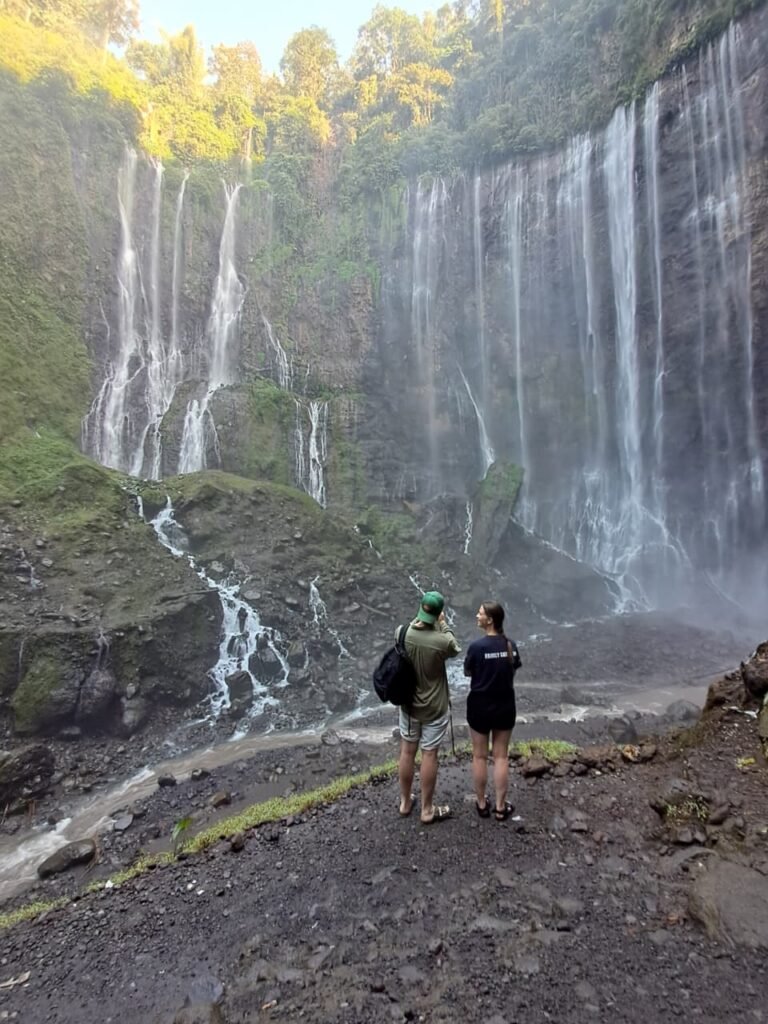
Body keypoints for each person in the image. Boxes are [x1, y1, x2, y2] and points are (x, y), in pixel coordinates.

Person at [397, 591, 461, 824]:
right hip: (434, 707)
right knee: (429, 754)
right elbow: (455, 647)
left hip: (408, 705)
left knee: (407, 752)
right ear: (438, 613)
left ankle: (405, 803)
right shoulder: (442, 641)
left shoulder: (402, 632)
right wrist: (443, 624)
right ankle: (426, 810)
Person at [463, 601, 522, 821]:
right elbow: (512, 670)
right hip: (505, 705)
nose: (476, 616)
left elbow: (468, 672)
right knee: (501, 756)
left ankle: (481, 803)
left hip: (479, 706)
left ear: (490, 620)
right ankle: (500, 807)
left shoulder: (476, 647)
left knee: (479, 756)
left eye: (480, 614)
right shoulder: (510, 645)